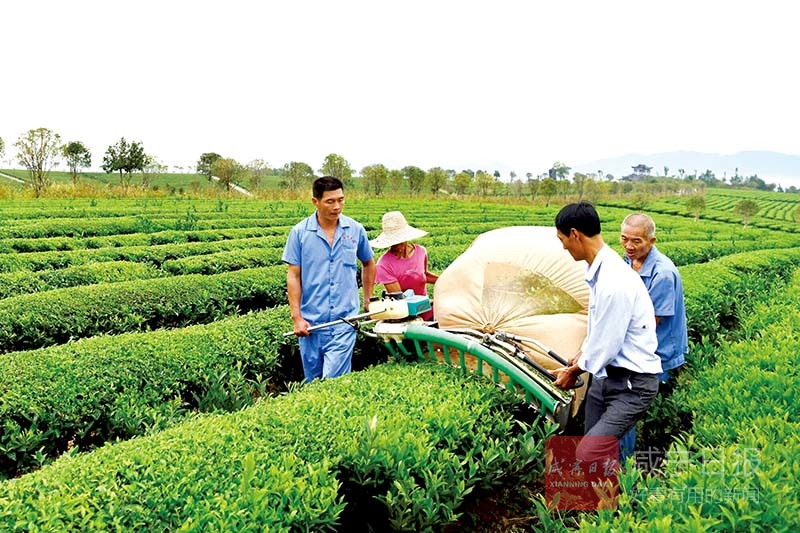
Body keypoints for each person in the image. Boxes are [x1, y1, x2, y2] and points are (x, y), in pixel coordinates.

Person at [552, 202, 662, 467]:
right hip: (606, 379)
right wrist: (581, 354)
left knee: (589, 452)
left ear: (575, 234)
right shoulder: (602, 271)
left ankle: (630, 502)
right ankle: (603, 506)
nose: (564, 246)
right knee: (596, 455)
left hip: (632, 385)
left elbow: (607, 344)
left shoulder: (614, 281)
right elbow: (600, 329)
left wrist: (574, 370)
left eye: (563, 239)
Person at [282, 176, 376, 382]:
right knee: (313, 382)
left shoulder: (355, 229)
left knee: (333, 381)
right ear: (315, 202)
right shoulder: (299, 233)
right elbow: (293, 275)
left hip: (345, 321)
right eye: (330, 201)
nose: (337, 206)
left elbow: (368, 262)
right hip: (312, 325)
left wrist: (369, 300)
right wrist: (296, 317)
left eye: (341, 200)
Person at [618, 213, 689, 459]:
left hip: (658, 352)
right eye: (624, 239)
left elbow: (647, 325)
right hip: (638, 348)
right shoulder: (627, 262)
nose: (628, 246)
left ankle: (622, 469)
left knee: (624, 405)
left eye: (636, 241)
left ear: (652, 240)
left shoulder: (663, 274)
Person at [370, 211, 438, 321]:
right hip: (407, 320)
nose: (397, 245)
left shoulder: (421, 252)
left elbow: (423, 275)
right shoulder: (384, 265)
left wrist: (445, 281)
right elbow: (400, 302)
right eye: (393, 242)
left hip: (430, 314)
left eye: (400, 241)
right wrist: (431, 302)